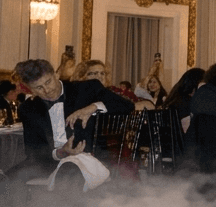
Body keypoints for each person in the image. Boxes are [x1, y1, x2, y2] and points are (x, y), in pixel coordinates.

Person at [12, 58, 137, 192]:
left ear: (56, 75)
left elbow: (127, 106)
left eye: (48, 82)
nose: (47, 90)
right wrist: (61, 152)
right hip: (49, 162)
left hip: (86, 158)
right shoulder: (28, 108)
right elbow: (33, 151)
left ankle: (65, 206)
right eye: (39, 87)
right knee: (7, 181)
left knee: (68, 176)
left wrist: (92, 107)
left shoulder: (86, 88)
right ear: (31, 89)